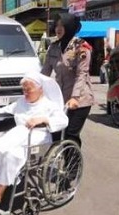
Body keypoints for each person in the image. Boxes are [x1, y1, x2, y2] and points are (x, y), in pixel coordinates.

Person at [0, 72, 68, 210]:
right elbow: (7, 109)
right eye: (23, 90)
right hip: (18, 133)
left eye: (28, 90)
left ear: (40, 89)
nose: (25, 93)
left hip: (38, 137)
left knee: (12, 155)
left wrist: (44, 119)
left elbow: (63, 120)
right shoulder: (22, 102)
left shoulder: (49, 105)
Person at [41, 13, 94, 147]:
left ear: (69, 27)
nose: (58, 29)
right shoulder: (53, 47)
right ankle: (62, 163)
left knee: (71, 134)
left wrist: (75, 97)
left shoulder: (81, 47)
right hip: (61, 99)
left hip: (81, 100)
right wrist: (35, 87)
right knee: (56, 132)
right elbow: (45, 72)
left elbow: (82, 73)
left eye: (62, 25)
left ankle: (73, 167)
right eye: (57, 25)